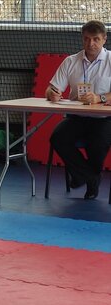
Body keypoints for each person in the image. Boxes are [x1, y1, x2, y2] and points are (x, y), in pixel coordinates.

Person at [46, 19, 111, 200]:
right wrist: (52, 94)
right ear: (82, 39)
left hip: (104, 119)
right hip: (76, 117)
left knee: (97, 144)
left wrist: (100, 98)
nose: (91, 44)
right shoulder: (71, 61)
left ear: (104, 39)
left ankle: (86, 178)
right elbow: (51, 88)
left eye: (96, 39)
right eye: (87, 39)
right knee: (58, 137)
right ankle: (90, 177)